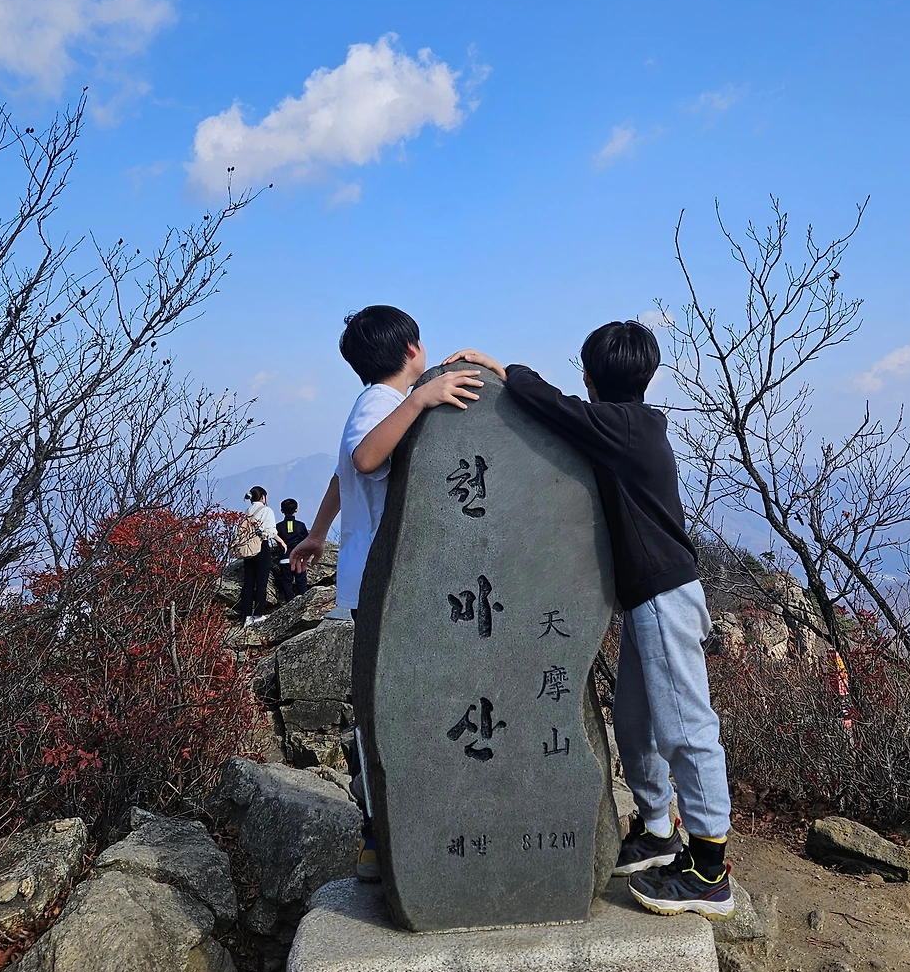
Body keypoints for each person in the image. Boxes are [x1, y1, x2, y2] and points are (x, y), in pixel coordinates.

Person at [445, 323, 734, 920]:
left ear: (591, 377)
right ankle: (657, 830)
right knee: (635, 721)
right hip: (650, 599)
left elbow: (555, 407)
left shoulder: (622, 426)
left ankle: (709, 870)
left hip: (665, 597)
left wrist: (507, 371)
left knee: (685, 726)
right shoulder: (633, 425)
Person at [287, 305, 484, 878]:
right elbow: (366, 457)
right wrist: (422, 400)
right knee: (392, 710)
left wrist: (317, 532)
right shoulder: (383, 403)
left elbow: (343, 473)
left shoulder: (375, 406)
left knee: (391, 706)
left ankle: (386, 834)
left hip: (378, 585)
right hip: (384, 587)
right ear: (413, 349)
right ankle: (380, 836)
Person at [237, 486, 282, 624]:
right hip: (261, 546)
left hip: (248, 548)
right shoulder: (266, 510)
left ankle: (246, 616)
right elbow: (270, 531)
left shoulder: (247, 511)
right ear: (263, 497)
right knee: (261, 582)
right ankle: (258, 614)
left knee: (248, 583)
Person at [275, 498, 309, 601]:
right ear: (296, 510)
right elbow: (306, 540)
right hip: (298, 558)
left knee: (287, 581)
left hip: (284, 558)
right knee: (301, 581)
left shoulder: (278, 526)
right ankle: (304, 602)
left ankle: (289, 603)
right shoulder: (301, 525)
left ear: (282, 511)